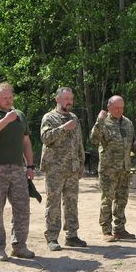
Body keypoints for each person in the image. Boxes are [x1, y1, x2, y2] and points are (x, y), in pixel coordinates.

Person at [0, 82, 36, 261]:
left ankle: (19, 246)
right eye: (4, 98)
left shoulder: (19, 115)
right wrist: (5, 121)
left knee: (22, 207)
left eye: (10, 97)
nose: (8, 100)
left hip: (17, 168)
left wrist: (30, 165)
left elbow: (26, 141)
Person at [90, 95, 136, 242]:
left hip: (125, 168)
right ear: (109, 107)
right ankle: (106, 230)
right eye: (116, 108)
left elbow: (132, 142)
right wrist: (99, 121)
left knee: (122, 200)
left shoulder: (127, 123)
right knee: (107, 200)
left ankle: (119, 229)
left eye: (121, 108)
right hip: (108, 169)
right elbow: (94, 140)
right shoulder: (103, 122)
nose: (119, 111)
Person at [40, 87, 86, 251]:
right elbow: (45, 138)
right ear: (57, 99)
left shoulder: (74, 117)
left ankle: (72, 236)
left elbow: (79, 142)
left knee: (72, 203)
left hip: (72, 169)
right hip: (54, 169)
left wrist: (81, 163)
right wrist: (63, 128)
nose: (70, 102)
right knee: (53, 204)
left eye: (71, 99)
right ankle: (52, 237)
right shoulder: (49, 117)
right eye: (66, 99)